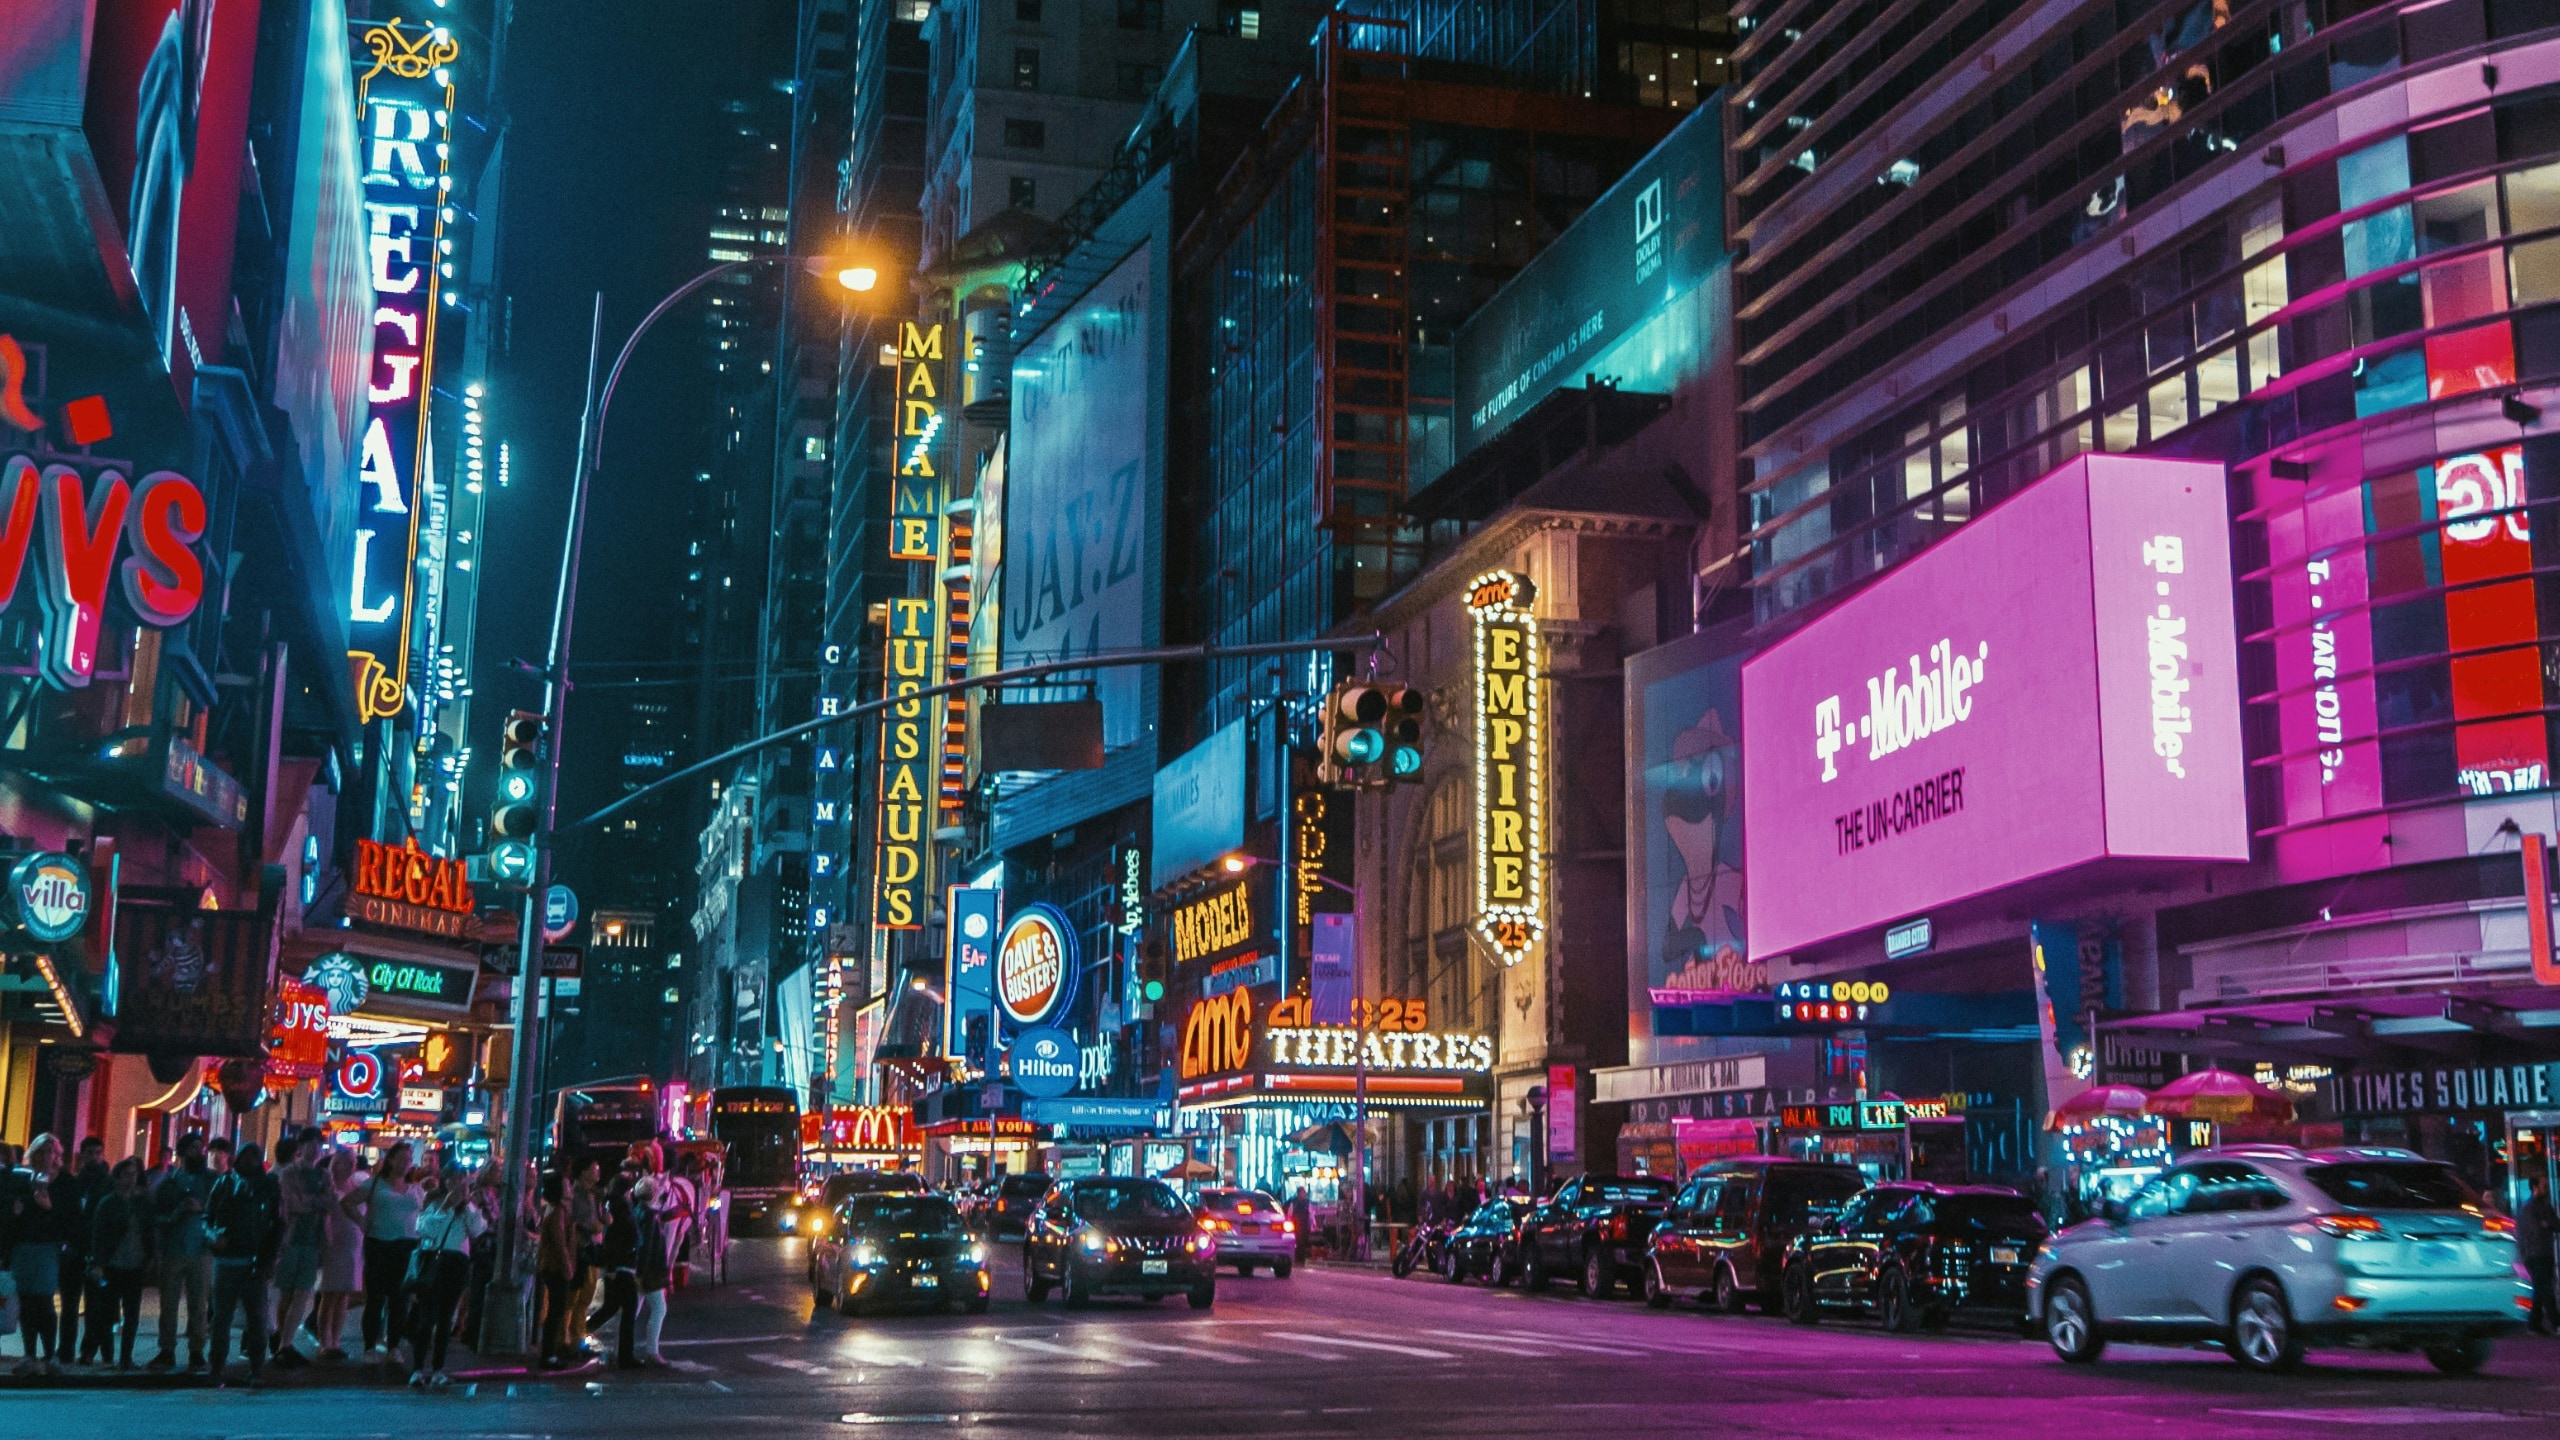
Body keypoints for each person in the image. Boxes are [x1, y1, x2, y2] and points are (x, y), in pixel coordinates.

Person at [204, 1141, 279, 1386]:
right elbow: (207, 1218)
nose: (249, 1162)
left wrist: (268, 1259)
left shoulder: (268, 1185)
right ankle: (216, 1368)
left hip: (253, 1261)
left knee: (256, 1320)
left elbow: (277, 1224)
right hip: (227, 1260)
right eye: (245, 1156)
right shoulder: (224, 1183)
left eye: (253, 1157)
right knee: (221, 1319)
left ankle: (256, 1369)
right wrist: (214, 1237)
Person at [405, 1173, 488, 1387]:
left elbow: (478, 1229)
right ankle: (417, 1369)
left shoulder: (466, 1209)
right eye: (452, 1181)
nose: (457, 1186)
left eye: (460, 1183)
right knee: (427, 1318)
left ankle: (438, 1369)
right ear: (444, 1182)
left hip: (456, 1264)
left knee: (445, 1319)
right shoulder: (433, 1201)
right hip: (435, 1263)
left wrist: (469, 1204)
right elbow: (424, 1228)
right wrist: (445, 1206)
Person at [346, 1141, 422, 1364]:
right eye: (401, 1158)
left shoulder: (416, 1189)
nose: (405, 1163)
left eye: (408, 1159)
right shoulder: (376, 1184)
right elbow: (348, 1202)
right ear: (390, 1160)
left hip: (407, 1246)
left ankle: (393, 1346)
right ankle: (370, 1346)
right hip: (380, 1244)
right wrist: (362, 1221)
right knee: (376, 1298)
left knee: (400, 1300)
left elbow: (425, 1213)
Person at [149, 1131, 216, 1372]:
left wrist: (202, 1209)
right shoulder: (170, 1182)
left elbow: (221, 1212)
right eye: (193, 1148)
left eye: (201, 1147)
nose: (199, 1152)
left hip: (200, 1248)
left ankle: (196, 1351)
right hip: (174, 1248)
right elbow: (157, 1216)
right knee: (169, 1304)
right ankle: (167, 1349)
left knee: (198, 1304)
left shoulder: (211, 1181)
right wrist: (177, 1213)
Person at [3, 1134, 69, 1374]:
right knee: (27, 1303)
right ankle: (29, 1355)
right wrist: (16, 1213)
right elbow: (10, 1212)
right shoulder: (22, 1178)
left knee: (44, 1302)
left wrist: (49, 1208)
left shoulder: (62, 1182)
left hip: (47, 1248)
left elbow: (68, 1219)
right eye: (40, 1151)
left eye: (50, 1151)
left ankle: (51, 1355)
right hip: (24, 1246)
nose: (45, 1156)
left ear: (57, 1155)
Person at [268, 1135, 329, 1367]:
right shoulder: (288, 1173)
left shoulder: (323, 1174)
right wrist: (315, 1202)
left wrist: (310, 1202)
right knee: (286, 1293)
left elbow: (329, 1202)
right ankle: (283, 1343)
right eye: (311, 1145)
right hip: (290, 1239)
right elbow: (292, 1204)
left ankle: (286, 1343)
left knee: (302, 1292)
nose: (315, 1150)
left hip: (312, 1240)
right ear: (300, 1148)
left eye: (318, 1146)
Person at [86, 1158, 152, 1369]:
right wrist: (98, 1262)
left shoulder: (142, 1203)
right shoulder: (108, 1203)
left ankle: (125, 1357)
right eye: (126, 1174)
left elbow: (149, 1232)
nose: (131, 1178)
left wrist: (150, 1257)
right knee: (107, 1312)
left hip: (134, 1265)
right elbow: (98, 1235)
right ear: (117, 1178)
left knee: (131, 1314)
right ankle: (107, 1354)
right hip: (112, 1264)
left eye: (134, 1174)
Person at [584, 1168, 643, 1369]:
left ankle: (579, 1331)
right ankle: (626, 1356)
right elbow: (618, 1238)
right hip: (621, 1265)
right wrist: (615, 1264)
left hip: (617, 1264)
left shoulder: (614, 1204)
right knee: (629, 1307)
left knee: (610, 1307)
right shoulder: (621, 1207)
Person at [56, 1136, 106, 1366]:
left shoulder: (106, 1184)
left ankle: (87, 1351)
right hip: (74, 1251)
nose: (94, 1157)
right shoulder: (74, 1183)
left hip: (95, 1251)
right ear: (82, 1155)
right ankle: (65, 1349)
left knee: (95, 1306)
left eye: (98, 1153)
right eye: (90, 1153)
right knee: (69, 1304)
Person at [314, 1149, 364, 1360]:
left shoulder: (356, 1185)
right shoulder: (328, 1185)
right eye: (345, 1162)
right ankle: (325, 1341)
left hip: (353, 1244)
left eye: (352, 1162)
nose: (351, 1166)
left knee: (343, 1294)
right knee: (329, 1294)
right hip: (334, 1243)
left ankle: (336, 1340)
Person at [534, 1172, 575, 1368]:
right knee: (555, 1311)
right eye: (566, 1184)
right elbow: (559, 1241)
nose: (570, 1188)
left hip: (551, 1265)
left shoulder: (557, 1210)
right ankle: (548, 1355)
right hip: (555, 1267)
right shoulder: (558, 1212)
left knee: (556, 1310)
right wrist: (567, 1264)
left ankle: (550, 1352)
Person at [2521, 1176, 2558, 1336]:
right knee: (2546, 1289)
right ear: (2535, 1187)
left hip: (2543, 1253)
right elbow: (2536, 1229)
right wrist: (2546, 1223)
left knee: (2541, 1289)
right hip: (2535, 1254)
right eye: (2543, 1185)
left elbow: (2555, 1224)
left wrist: (2546, 1223)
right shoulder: (2529, 1207)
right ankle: (2556, 1323)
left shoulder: (2543, 1206)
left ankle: (2534, 1323)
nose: (2546, 1189)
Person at [1288, 1186, 1313, 1262]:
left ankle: (1300, 1258)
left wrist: (1311, 1225)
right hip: (1298, 1225)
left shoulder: (1306, 1202)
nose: (1304, 1194)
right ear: (1299, 1193)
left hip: (1303, 1225)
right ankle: (1299, 1258)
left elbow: (1311, 1215)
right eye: (1303, 1192)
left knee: (1302, 1242)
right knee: (1299, 1242)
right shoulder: (1295, 1203)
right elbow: (1290, 1214)